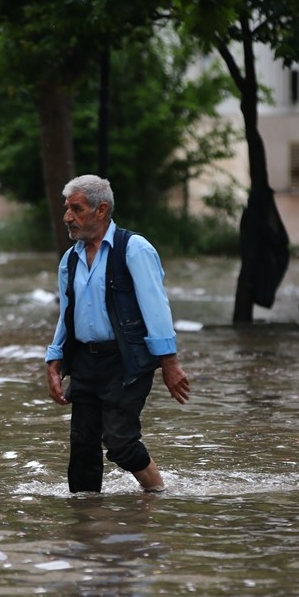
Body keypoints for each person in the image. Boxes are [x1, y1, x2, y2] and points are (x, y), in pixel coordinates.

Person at [45, 175, 190, 493]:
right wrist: (54, 359)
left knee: (120, 442)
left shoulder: (134, 249)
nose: (68, 217)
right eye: (67, 208)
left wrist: (169, 362)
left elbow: (156, 308)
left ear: (101, 210)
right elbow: (67, 314)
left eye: (76, 209)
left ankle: (158, 494)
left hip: (126, 361)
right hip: (85, 360)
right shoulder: (71, 259)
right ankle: (86, 525)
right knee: (82, 448)